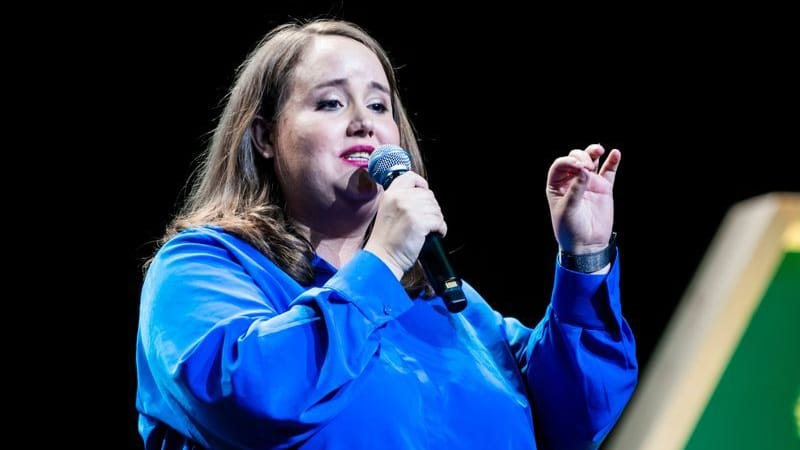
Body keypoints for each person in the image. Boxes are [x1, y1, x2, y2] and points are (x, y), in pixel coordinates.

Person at [135, 18, 637, 450]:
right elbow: (247, 396)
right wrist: (381, 263)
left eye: (379, 106)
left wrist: (584, 257)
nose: (363, 125)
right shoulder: (202, 267)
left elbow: (577, 416)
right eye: (331, 104)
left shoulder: (446, 306)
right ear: (266, 137)